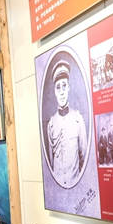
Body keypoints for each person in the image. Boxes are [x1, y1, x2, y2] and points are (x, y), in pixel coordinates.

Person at [47, 59, 87, 187]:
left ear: (69, 87)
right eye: (58, 87)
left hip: (75, 185)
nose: (62, 92)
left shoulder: (78, 119)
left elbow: (84, 158)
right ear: (54, 91)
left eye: (64, 86)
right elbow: (51, 163)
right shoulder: (51, 124)